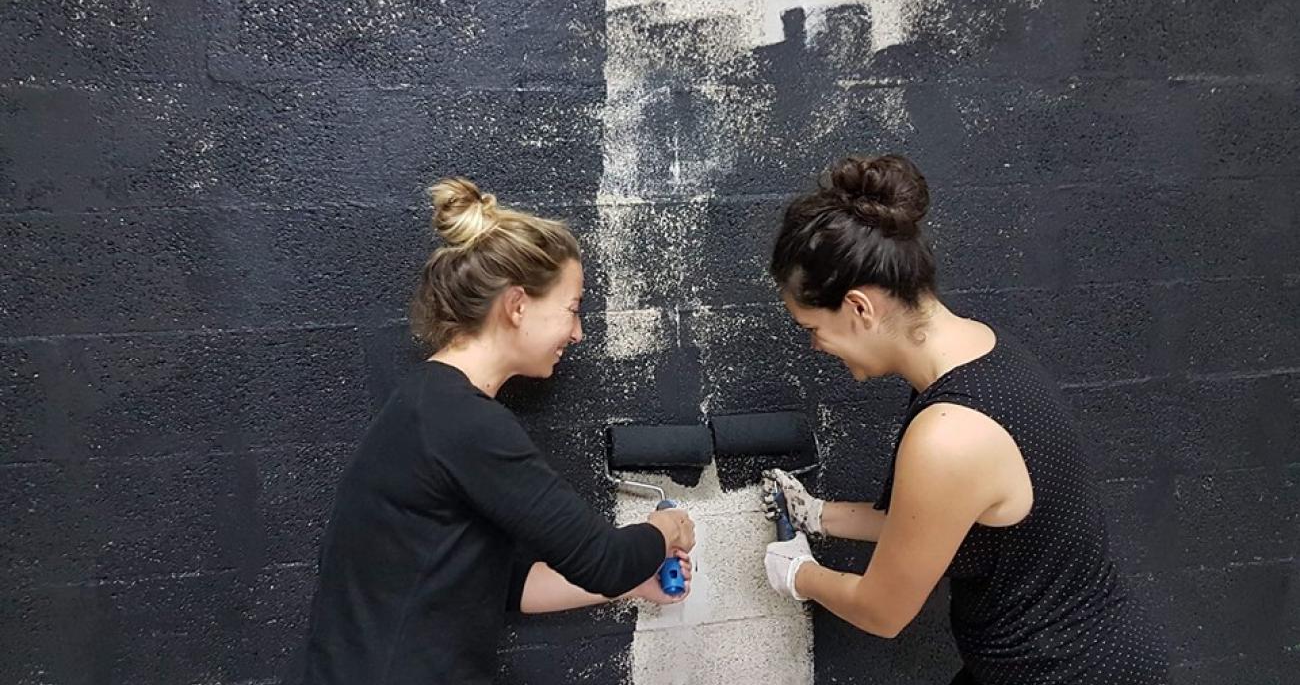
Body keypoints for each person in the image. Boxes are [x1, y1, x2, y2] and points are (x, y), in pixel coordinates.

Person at [759, 155, 1167, 684]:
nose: (815, 345)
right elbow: (932, 521)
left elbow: (883, 611)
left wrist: (799, 576)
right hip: (1052, 657)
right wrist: (818, 514)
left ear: (860, 308)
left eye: (813, 326)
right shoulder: (979, 351)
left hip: (1066, 671)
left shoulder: (949, 434)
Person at [295, 178, 695, 684]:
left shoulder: (429, 406)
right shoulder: (464, 422)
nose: (578, 332)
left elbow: (509, 587)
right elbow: (603, 560)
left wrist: (634, 583)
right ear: (517, 305)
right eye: (572, 310)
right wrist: (669, 530)